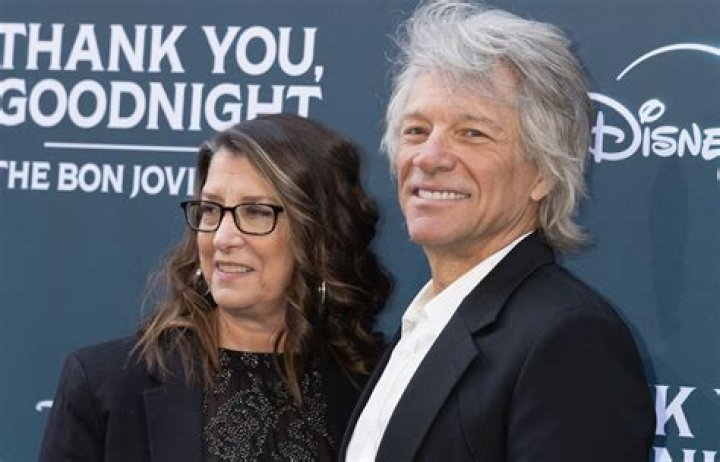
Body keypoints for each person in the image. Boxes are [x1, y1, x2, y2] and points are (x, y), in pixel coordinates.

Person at [342, 2, 655, 461]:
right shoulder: (426, 323)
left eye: (472, 133)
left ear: (544, 172)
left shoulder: (569, 341)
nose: (428, 158)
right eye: (416, 130)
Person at [39, 114, 392, 462]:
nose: (222, 238)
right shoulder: (105, 386)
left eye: (255, 212)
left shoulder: (378, 389)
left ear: (317, 234)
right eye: (210, 209)